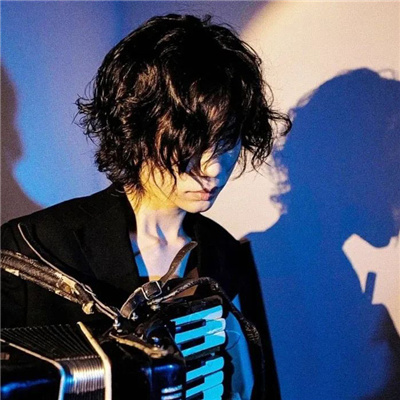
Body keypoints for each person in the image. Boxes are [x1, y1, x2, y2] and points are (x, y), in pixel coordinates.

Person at [1, 14, 291, 399]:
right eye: (190, 142)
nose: (214, 168)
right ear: (135, 130)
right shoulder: (30, 249)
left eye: (227, 140)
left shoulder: (224, 254)